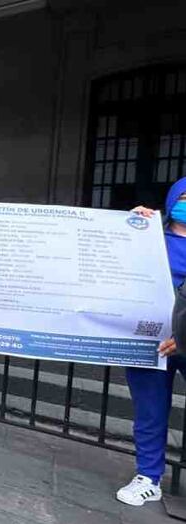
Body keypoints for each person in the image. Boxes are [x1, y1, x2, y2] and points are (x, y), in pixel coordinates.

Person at [118, 176, 186, 506]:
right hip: (149, 340)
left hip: (184, 339)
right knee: (149, 410)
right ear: (172, 201)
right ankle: (149, 476)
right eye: (184, 196)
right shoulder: (149, 237)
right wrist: (129, 227)